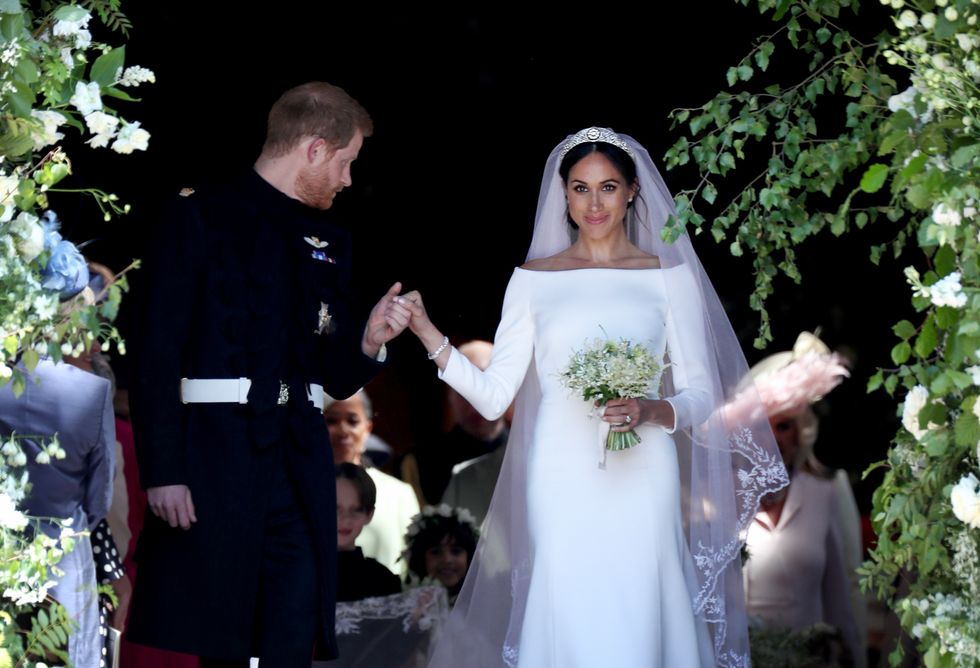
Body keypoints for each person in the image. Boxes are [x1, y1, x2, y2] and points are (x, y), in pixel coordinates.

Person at [398, 127, 790, 666]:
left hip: (642, 473)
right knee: (570, 606)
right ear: (563, 194)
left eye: (607, 187)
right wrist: (427, 334)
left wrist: (654, 408)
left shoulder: (668, 278)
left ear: (632, 191)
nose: (594, 202)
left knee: (641, 602)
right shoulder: (533, 280)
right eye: (580, 188)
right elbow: (493, 397)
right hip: (560, 476)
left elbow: (701, 393)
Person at [127, 81, 414, 665]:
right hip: (215, 456)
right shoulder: (199, 215)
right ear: (313, 148)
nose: (348, 178)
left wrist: (368, 338)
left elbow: (333, 374)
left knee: (293, 630)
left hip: (299, 458)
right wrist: (164, 472)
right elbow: (154, 350)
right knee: (222, 639)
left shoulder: (332, 239)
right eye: (345, 161)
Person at [739, 331, 865, 667]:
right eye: (764, 427)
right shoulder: (725, 496)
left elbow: (846, 589)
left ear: (802, 430)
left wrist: (855, 652)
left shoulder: (827, 490)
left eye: (784, 426)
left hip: (810, 659)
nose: (774, 439)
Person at [400, 340, 510, 507]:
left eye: (484, 383)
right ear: (449, 393)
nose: (474, 398)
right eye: (463, 387)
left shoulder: (532, 453)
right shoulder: (422, 463)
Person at [325, 389, 420, 574]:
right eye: (331, 421)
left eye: (352, 421)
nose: (343, 430)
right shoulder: (299, 488)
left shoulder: (399, 494)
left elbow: (414, 565)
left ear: (368, 428)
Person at [335, 462, 403, 602]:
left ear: (369, 514)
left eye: (356, 510)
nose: (345, 519)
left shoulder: (383, 580)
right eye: (336, 509)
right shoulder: (297, 572)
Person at [402, 505, 480, 607]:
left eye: (456, 551)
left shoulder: (485, 602)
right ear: (421, 558)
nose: (447, 560)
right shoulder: (406, 604)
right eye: (436, 552)